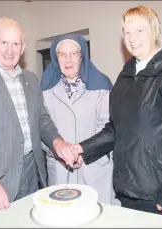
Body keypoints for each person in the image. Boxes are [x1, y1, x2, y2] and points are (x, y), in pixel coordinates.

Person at [72, 5, 162, 217]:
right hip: (128, 189)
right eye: (126, 32)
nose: (131, 38)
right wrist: (83, 149)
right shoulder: (125, 76)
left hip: (159, 195)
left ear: (153, 31)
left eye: (139, 30)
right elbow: (115, 129)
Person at [0, 17, 79, 214]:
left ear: (22, 48)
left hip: (33, 175)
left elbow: (42, 121)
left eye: (16, 44)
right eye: (4, 42)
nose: (10, 50)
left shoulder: (31, 79)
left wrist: (58, 143)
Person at [41, 34, 121, 205]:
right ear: (56, 58)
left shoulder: (102, 85)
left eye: (73, 53)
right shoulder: (45, 90)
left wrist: (82, 152)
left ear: (82, 55)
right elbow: (40, 128)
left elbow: (108, 127)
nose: (68, 60)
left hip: (94, 170)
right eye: (62, 54)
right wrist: (58, 152)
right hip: (61, 171)